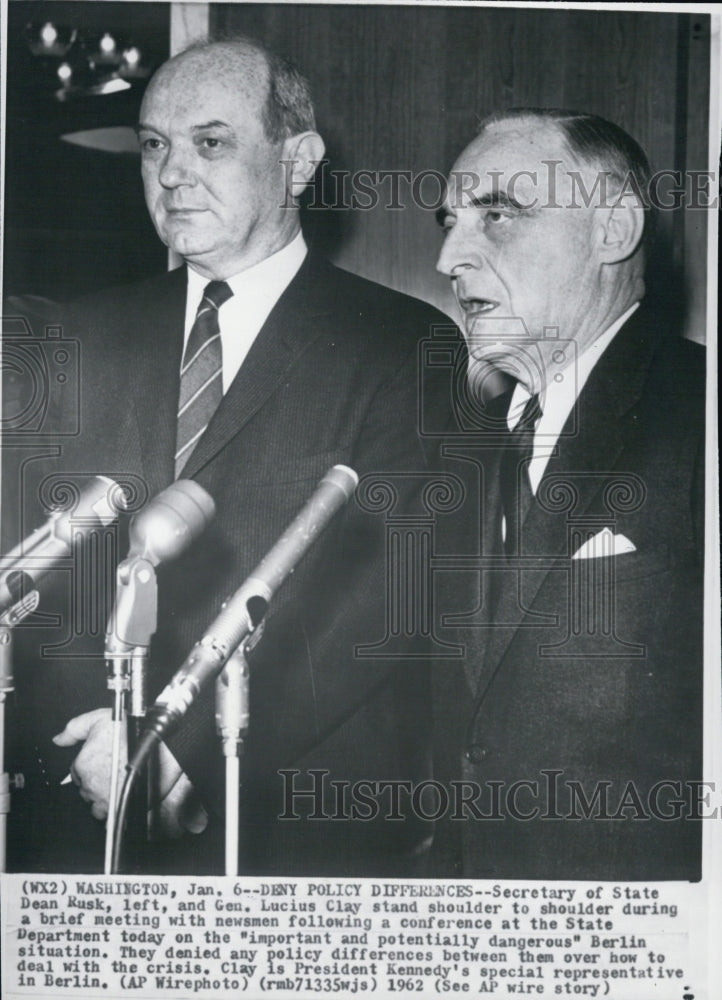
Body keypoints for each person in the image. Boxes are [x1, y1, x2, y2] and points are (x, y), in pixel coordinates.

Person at [5, 37, 454, 875]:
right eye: (153, 145)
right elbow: (40, 575)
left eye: (210, 142)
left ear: (298, 161)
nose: (172, 172)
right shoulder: (77, 337)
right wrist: (85, 747)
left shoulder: (403, 346)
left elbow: (388, 593)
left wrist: (177, 752)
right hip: (84, 808)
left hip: (294, 830)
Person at [433, 108, 704, 880]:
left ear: (613, 229)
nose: (451, 254)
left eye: (498, 214)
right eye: (450, 221)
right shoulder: (461, 445)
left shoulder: (702, 413)